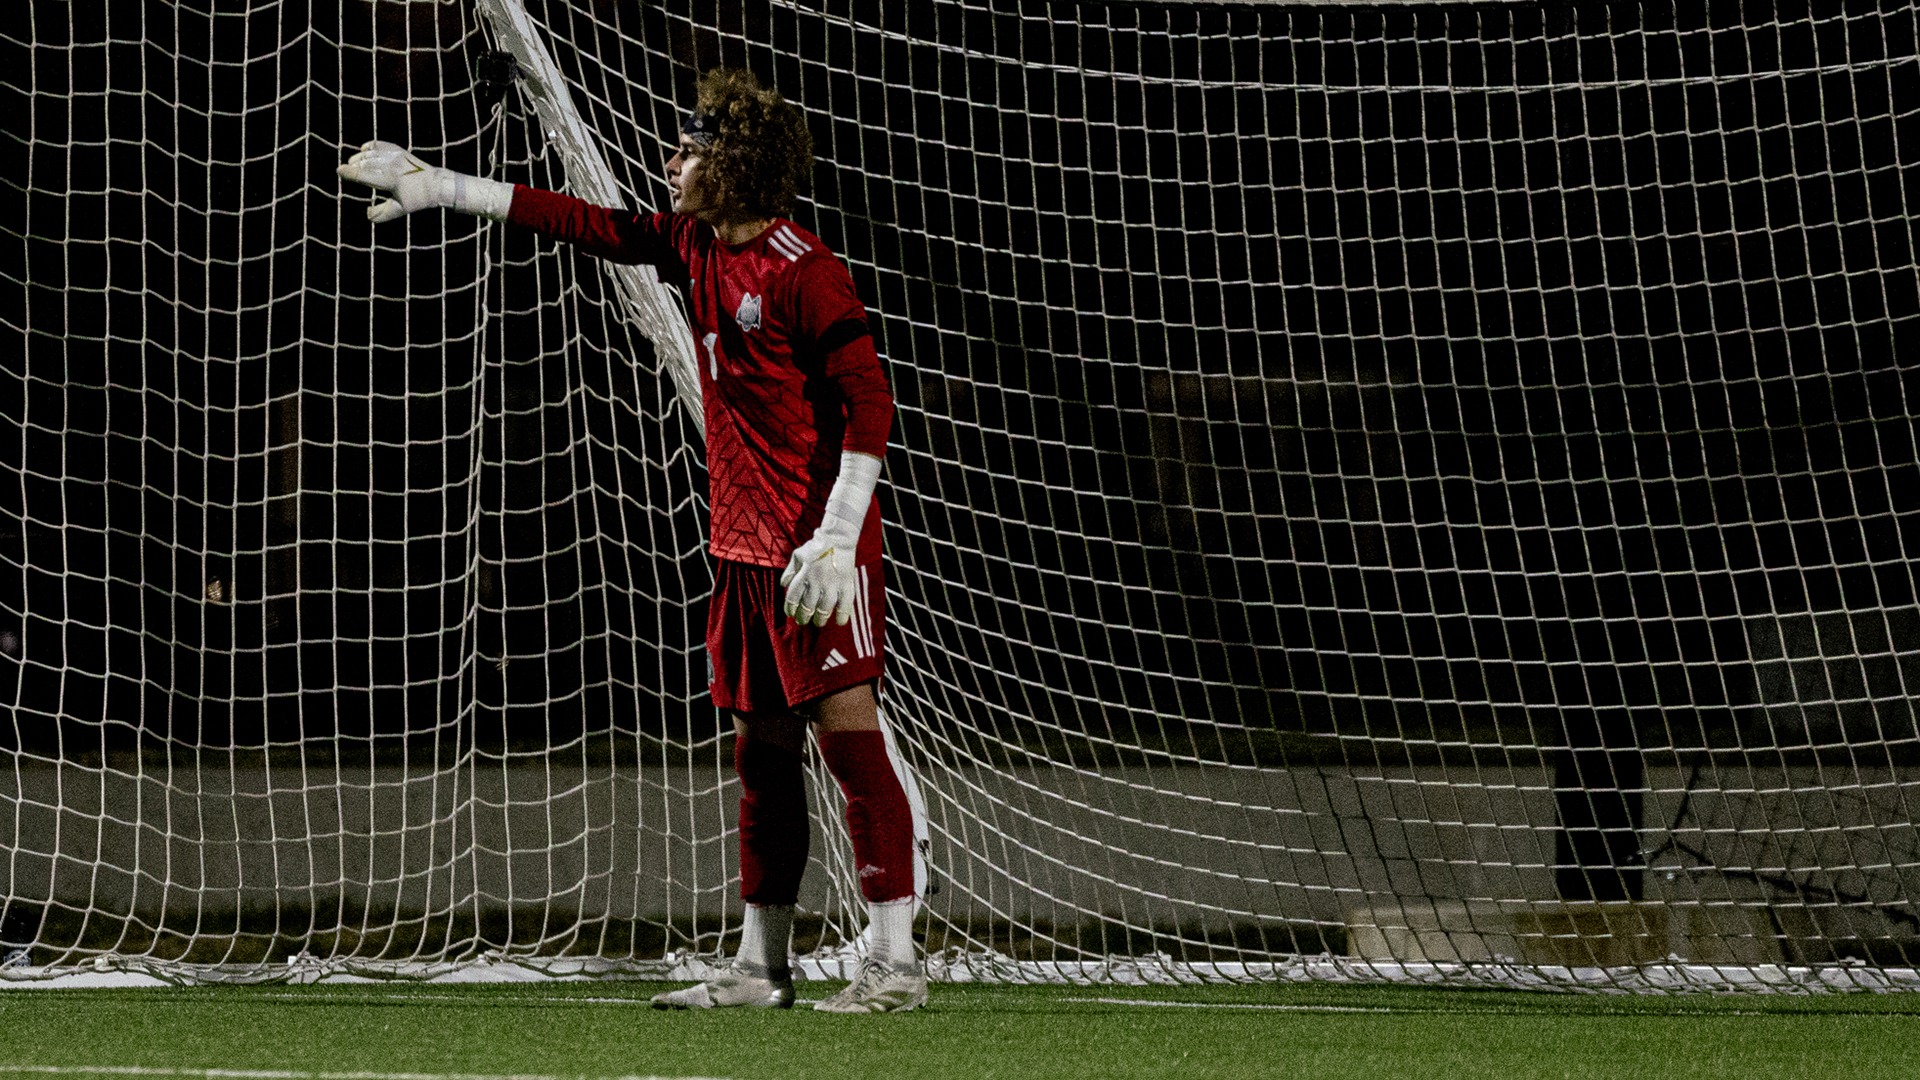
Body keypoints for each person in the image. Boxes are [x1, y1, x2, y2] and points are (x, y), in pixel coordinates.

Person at [339, 68, 926, 1014]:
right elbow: (589, 224)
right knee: (762, 758)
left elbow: (870, 401)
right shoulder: (691, 244)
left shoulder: (805, 271)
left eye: (691, 149)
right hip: (739, 549)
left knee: (850, 748)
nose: (673, 160)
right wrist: (440, 185)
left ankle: (894, 964)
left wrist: (837, 535)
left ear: (734, 165)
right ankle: (760, 967)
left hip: (820, 552)